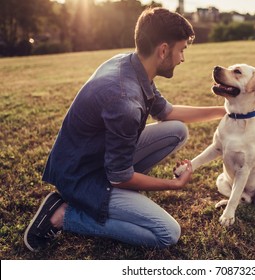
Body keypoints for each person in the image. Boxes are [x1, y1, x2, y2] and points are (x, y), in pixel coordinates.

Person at [24, 7, 225, 252]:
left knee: (177, 130)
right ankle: (62, 214)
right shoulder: (125, 101)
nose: (182, 58)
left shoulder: (131, 63)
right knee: (167, 234)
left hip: (95, 159)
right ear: (163, 50)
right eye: (181, 50)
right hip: (83, 177)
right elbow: (119, 177)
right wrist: (173, 184)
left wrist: (224, 111)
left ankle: (119, 200)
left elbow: (168, 112)